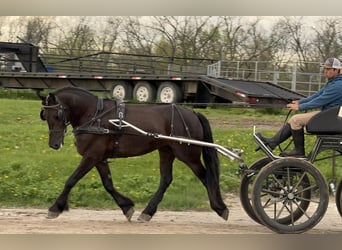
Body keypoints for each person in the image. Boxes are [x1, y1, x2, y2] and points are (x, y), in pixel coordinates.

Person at [256, 57, 342, 158]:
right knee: (293, 120)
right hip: (328, 114)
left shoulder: (338, 85)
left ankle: (298, 151)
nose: (325, 71)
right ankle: (272, 143)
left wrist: (300, 107)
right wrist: (299, 102)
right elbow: (317, 95)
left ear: (336, 70)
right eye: (325, 69)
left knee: (296, 120)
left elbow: (321, 100)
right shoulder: (333, 83)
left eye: (328, 69)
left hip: (332, 118)